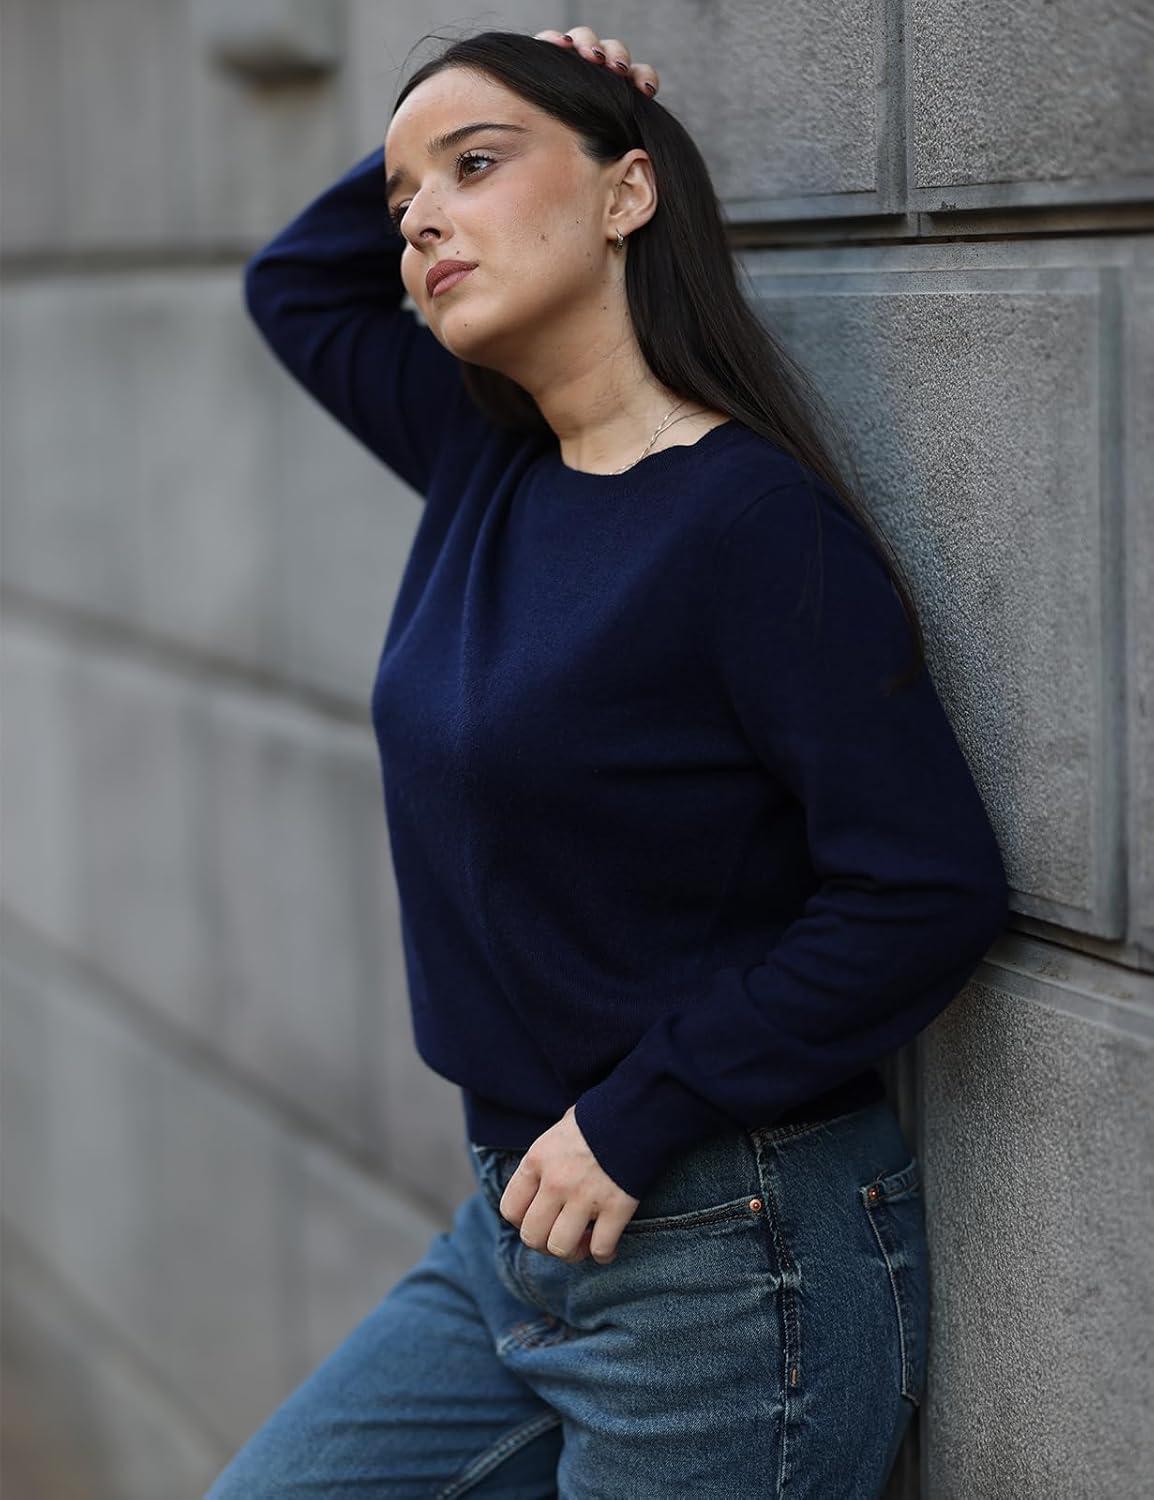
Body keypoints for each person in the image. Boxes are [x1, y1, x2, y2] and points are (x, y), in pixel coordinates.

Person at [206, 23, 1010, 1498]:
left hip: (725, 1254)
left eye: (475, 166)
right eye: (402, 199)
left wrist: (641, 1113)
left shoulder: (748, 528)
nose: (420, 219)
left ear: (627, 192)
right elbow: (295, 287)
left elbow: (924, 890)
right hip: (511, 1230)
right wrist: (452, 120)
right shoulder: (486, 466)